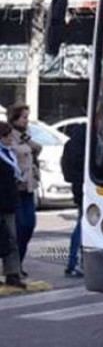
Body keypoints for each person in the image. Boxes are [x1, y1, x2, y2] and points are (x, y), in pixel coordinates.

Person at [8, 103, 41, 277]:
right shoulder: (9, 136)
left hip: (28, 187)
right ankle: (13, 267)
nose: (26, 121)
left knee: (29, 225)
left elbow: (37, 148)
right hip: (17, 188)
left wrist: (28, 140)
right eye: (24, 117)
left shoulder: (25, 136)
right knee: (19, 228)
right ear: (14, 119)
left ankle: (18, 263)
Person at [0, 122, 25, 288]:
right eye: (7, 136)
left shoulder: (10, 153)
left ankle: (13, 273)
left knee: (12, 238)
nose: (10, 139)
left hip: (8, 202)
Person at [61, 123, 85, 277]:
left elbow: (66, 168)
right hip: (85, 186)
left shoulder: (70, 144)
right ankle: (74, 261)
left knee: (82, 222)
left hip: (77, 186)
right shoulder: (85, 144)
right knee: (83, 225)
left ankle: (74, 261)